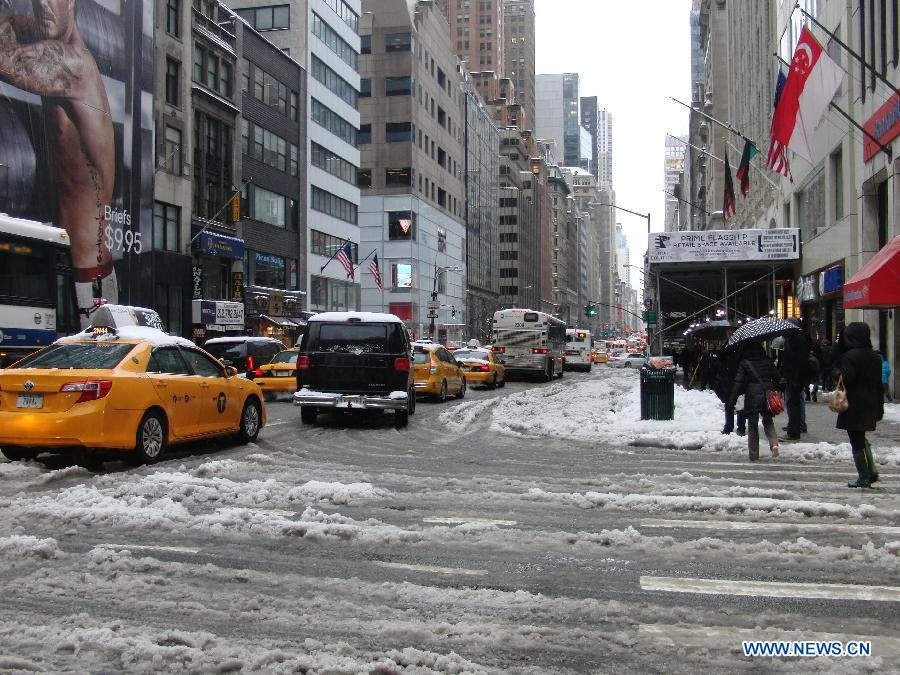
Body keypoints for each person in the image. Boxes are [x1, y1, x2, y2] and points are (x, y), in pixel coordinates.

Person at [0, 0, 118, 326]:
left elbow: (5, 59)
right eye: (37, 2)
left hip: (86, 278)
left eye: (52, 0)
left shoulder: (74, 64)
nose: (43, 8)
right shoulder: (54, 46)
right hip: (61, 265)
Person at [834, 323, 883, 488]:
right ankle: (870, 471)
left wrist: (837, 373)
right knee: (861, 437)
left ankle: (864, 476)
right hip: (871, 401)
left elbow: (848, 379)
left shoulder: (850, 356)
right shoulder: (876, 356)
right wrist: (880, 406)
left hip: (854, 403)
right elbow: (879, 384)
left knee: (856, 439)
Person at [729, 342, 781, 461]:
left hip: (752, 394)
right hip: (767, 394)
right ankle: (774, 444)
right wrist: (773, 387)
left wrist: (732, 400)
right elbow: (778, 377)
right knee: (768, 421)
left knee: (752, 425)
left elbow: (738, 382)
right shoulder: (767, 361)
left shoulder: (744, 363)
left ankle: (754, 454)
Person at [779, 320, 810, 440]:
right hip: (792, 377)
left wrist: (796, 379)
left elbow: (800, 362)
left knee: (794, 404)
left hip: (795, 378)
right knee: (792, 404)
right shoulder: (792, 340)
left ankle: (794, 431)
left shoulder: (798, 340)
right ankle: (793, 428)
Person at [715, 344, 746, 435]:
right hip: (728, 382)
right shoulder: (726, 347)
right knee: (729, 405)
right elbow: (720, 356)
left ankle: (741, 427)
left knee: (740, 405)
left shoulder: (741, 347)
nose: (729, 332)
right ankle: (728, 427)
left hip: (739, 381)